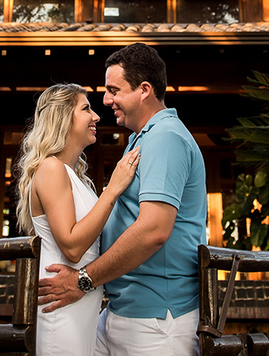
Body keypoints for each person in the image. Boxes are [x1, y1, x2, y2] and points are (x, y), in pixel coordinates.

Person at [37, 43, 208, 356]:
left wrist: (84, 280)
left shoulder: (165, 138)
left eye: (113, 90)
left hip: (155, 320)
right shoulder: (140, 139)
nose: (105, 101)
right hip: (120, 311)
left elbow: (153, 230)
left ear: (144, 90)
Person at [15, 83, 142, 356]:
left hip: (81, 306)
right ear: (63, 117)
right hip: (61, 308)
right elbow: (72, 247)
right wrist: (113, 189)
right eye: (86, 109)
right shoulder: (50, 168)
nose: (96, 116)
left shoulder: (76, 177)